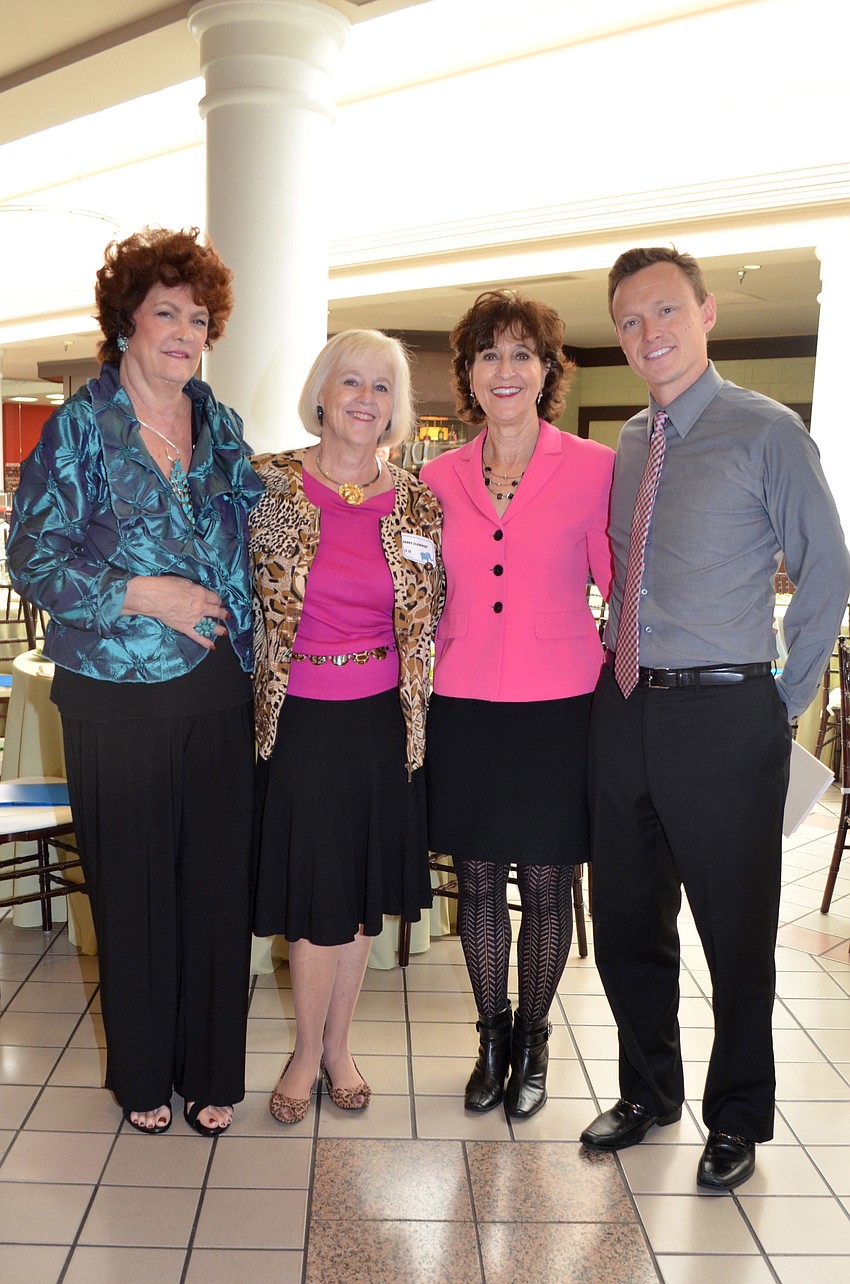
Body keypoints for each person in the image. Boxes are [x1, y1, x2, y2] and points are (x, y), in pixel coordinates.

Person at [580, 246, 850, 1190]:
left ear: (705, 316)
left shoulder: (765, 431)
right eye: (629, 321)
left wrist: (779, 702)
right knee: (623, 917)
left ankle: (736, 1115)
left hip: (725, 711)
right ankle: (649, 1091)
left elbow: (828, 569)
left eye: (664, 312)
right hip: (622, 708)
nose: (648, 333)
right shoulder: (626, 442)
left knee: (734, 931)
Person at [7, 227, 264, 1137]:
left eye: (199, 318)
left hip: (218, 689)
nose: (186, 332)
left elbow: (257, 538)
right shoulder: (82, 426)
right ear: (127, 323)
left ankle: (211, 1072)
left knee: (215, 888)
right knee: (135, 886)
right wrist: (140, 594)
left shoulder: (221, 424)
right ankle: (145, 1074)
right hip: (114, 694)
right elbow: (30, 555)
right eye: (167, 313)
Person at [422, 291, 614, 1118]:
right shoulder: (431, 478)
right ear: (468, 374)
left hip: (558, 704)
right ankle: (490, 1036)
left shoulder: (596, 467)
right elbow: (417, 595)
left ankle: (535, 1041)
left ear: (546, 371)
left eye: (522, 354)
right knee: (477, 880)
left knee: (543, 881)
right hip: (461, 701)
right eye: (489, 355)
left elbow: (622, 586)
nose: (506, 369)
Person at [251, 329, 443, 1125]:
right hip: (295, 720)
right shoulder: (266, 486)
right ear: (322, 396)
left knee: (360, 897)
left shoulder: (420, 500)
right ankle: (304, 1051)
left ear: (395, 408)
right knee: (312, 895)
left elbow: (438, 612)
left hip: (382, 722)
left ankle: (339, 1048)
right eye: (351, 382)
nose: (366, 399)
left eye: (383, 387)